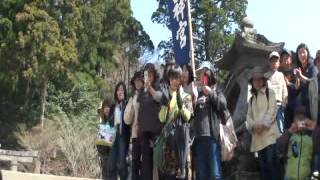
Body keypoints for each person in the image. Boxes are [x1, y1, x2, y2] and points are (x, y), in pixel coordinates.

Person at [192, 61, 228, 180]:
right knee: (201, 174)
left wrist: (211, 93)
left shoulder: (216, 90)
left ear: (211, 75)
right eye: (202, 73)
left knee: (215, 173)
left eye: (206, 73)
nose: (203, 76)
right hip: (198, 138)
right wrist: (193, 99)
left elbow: (223, 104)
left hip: (212, 136)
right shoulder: (197, 93)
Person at [158, 65, 193, 179]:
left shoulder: (186, 96)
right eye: (172, 78)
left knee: (182, 174)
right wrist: (164, 105)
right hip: (168, 141)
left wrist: (181, 105)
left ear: (180, 79)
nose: (174, 81)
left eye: (177, 78)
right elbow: (162, 119)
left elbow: (188, 117)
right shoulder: (165, 95)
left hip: (182, 139)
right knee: (168, 174)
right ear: (169, 79)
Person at [246, 66, 280, 180]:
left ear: (263, 80)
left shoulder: (270, 93)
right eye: (255, 79)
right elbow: (248, 117)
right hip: (258, 139)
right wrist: (254, 126)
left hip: (270, 136)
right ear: (252, 81)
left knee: (272, 166)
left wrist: (263, 125)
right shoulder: (251, 99)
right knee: (263, 169)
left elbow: (272, 110)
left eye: (259, 79)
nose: (257, 81)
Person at [277, 106, 318, 180]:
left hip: (305, 177)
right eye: (298, 119)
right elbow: (279, 146)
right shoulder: (290, 135)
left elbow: (317, 149)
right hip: (289, 177)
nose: (300, 122)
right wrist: (289, 131)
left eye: (303, 119)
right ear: (294, 120)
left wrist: (314, 128)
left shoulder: (311, 137)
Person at [137, 63, 163, 180]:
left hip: (156, 131)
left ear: (154, 74)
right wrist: (138, 125)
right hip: (144, 131)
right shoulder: (142, 91)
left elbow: (159, 98)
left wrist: (150, 88)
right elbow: (140, 109)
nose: (149, 76)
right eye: (146, 73)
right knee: (146, 162)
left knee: (157, 161)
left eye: (150, 73)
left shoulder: (159, 86)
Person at [107, 82, 130, 180]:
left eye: (122, 90)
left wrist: (122, 106)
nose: (120, 92)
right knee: (111, 163)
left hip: (123, 136)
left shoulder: (127, 104)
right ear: (116, 92)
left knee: (122, 163)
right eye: (118, 90)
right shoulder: (113, 106)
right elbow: (108, 122)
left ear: (124, 92)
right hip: (113, 136)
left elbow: (129, 121)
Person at [124, 71, 144, 180]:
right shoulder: (133, 97)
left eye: (139, 80)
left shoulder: (148, 94)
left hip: (147, 135)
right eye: (136, 81)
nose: (137, 83)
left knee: (145, 166)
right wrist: (131, 106)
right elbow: (127, 120)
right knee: (135, 164)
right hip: (135, 135)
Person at [265, 51, 288, 134]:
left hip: (279, 105)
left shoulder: (281, 75)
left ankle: (280, 145)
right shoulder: (266, 76)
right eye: (272, 61)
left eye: (276, 61)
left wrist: (284, 104)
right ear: (269, 62)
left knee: (280, 128)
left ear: (279, 63)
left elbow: (284, 90)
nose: (274, 62)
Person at [295, 43, 318, 118]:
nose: (302, 55)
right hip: (304, 102)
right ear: (297, 56)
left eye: (303, 52)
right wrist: (298, 79)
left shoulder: (312, 66)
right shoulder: (299, 68)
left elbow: (314, 83)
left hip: (314, 101)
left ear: (307, 53)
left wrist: (301, 76)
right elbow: (297, 88)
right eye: (299, 53)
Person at [279, 49, 298, 129]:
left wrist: (289, 84)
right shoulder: (279, 73)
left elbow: (298, 87)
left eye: (287, 58)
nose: (285, 60)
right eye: (283, 58)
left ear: (291, 59)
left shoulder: (295, 71)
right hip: (284, 105)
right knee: (285, 128)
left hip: (294, 104)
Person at [96, 97, 114, 180]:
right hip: (104, 157)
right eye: (105, 107)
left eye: (108, 107)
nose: (106, 109)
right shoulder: (103, 123)